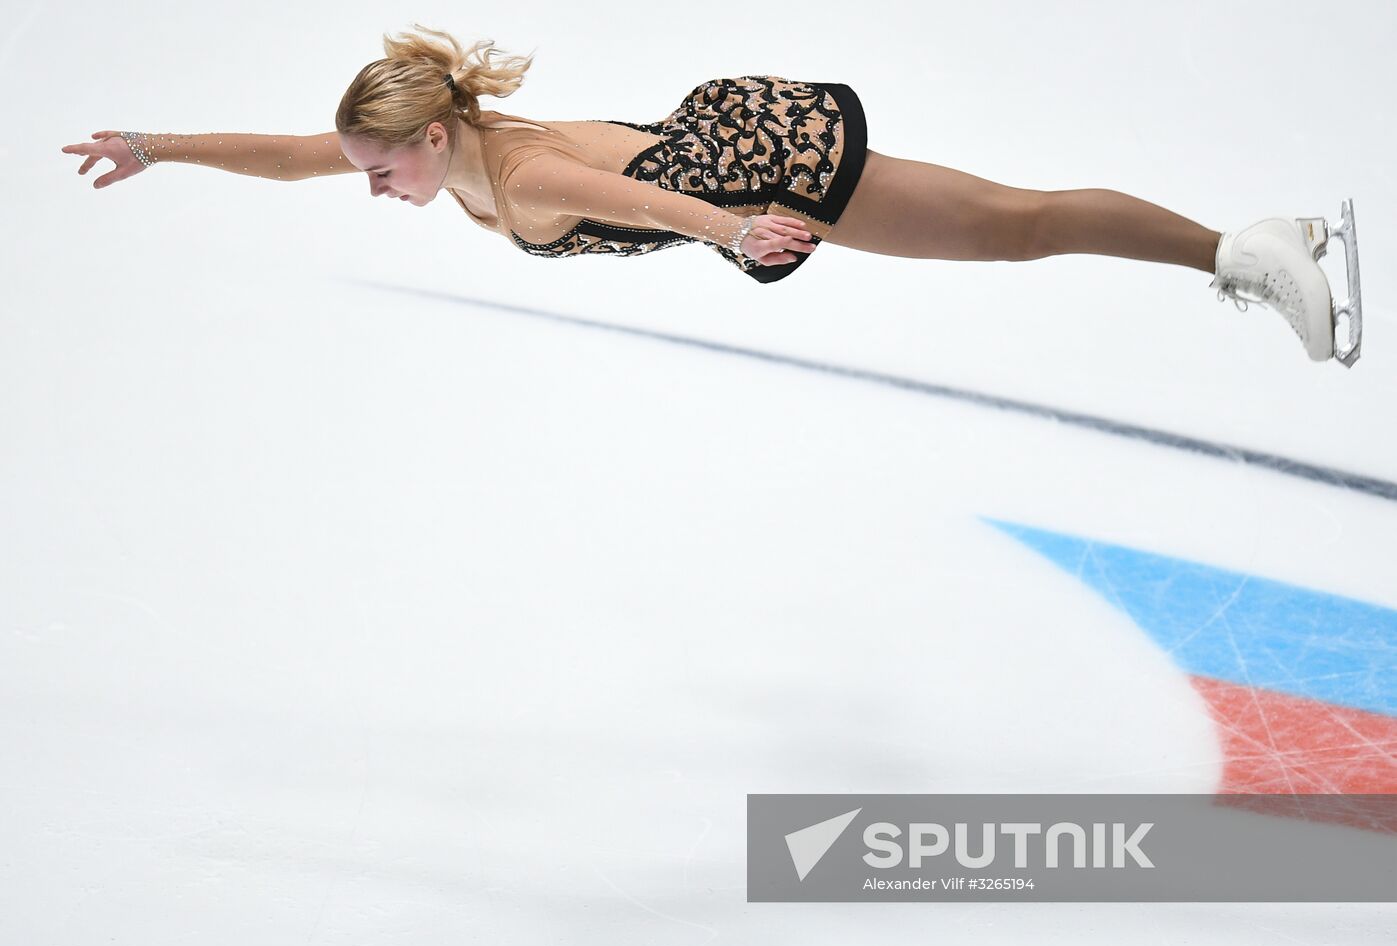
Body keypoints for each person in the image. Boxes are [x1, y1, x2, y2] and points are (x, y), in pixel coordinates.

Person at [60, 24, 1362, 366]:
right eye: (368, 169)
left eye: (384, 168)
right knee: (1011, 226)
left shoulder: (513, 175)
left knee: (1012, 229)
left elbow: (643, 207)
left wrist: (737, 228)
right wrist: (160, 142)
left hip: (753, 162)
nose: (369, 187)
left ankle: (1240, 251)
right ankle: (1244, 244)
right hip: (714, 147)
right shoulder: (447, 162)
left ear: (440, 132)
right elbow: (296, 153)